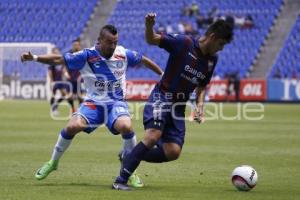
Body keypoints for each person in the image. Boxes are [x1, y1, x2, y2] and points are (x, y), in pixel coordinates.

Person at [20, 25, 164, 188]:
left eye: (115, 42)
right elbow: (58, 59)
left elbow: (143, 59)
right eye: (109, 42)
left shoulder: (122, 53)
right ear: (100, 41)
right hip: (93, 103)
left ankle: (129, 170)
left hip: (116, 103)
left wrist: (162, 74)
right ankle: (53, 162)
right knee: (72, 126)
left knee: (126, 126)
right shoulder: (86, 56)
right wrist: (35, 58)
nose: (112, 46)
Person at [112, 13, 233, 190]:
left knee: (173, 151)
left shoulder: (212, 60)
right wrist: (149, 25)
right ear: (213, 37)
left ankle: (130, 155)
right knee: (153, 135)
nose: (221, 49)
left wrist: (199, 107)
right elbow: (152, 39)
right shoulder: (184, 43)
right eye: (221, 44)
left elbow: (201, 86)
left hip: (178, 107)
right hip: (162, 97)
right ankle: (120, 180)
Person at [48, 47, 71, 116]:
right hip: (55, 81)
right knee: (53, 95)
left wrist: (66, 74)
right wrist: (51, 81)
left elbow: (64, 69)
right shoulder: (51, 61)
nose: (56, 53)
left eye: (57, 52)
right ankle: (53, 109)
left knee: (64, 95)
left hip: (60, 81)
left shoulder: (61, 61)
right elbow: (50, 71)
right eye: (55, 52)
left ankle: (55, 107)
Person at [65, 39, 84, 113]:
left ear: (79, 46)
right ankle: (73, 108)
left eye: (77, 45)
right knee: (69, 96)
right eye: (74, 45)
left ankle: (80, 110)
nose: (75, 46)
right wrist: (65, 72)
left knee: (81, 96)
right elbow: (65, 66)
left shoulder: (83, 54)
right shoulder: (68, 55)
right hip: (71, 78)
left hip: (80, 79)